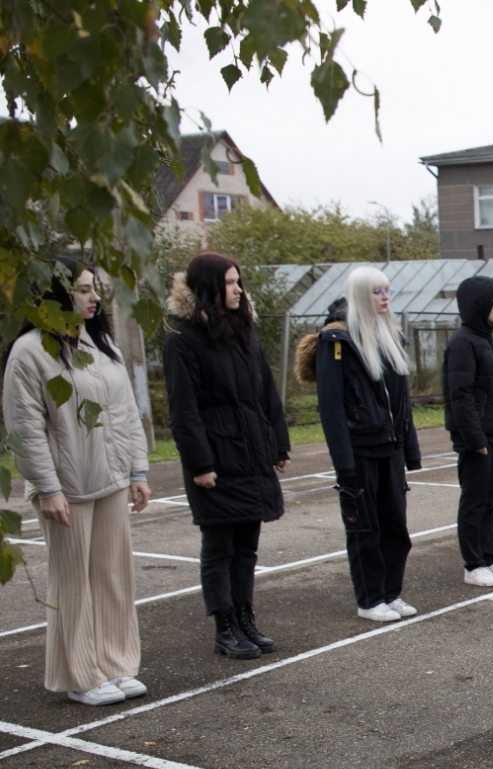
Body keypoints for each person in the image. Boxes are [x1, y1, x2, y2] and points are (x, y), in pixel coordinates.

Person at [4, 259, 150, 705]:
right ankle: (82, 675)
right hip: (66, 485)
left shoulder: (102, 347)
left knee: (112, 576)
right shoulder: (30, 351)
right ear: (55, 297)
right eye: (81, 290)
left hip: (110, 479)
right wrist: (46, 488)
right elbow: (25, 426)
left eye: (93, 289)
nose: (92, 297)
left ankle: (116, 663)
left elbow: (125, 412)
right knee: (73, 580)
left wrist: (137, 471)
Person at [163, 253, 290, 659]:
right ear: (210, 288)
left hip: (250, 451)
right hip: (216, 457)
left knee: (247, 544)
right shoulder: (183, 340)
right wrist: (200, 464)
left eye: (239, 282)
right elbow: (183, 410)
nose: (239, 289)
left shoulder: (243, 333)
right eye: (231, 283)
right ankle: (225, 624)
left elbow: (266, 394)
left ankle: (245, 616)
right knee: (219, 545)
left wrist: (279, 443)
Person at [296, 271, 421, 623]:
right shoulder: (335, 342)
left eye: (387, 291)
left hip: (390, 447)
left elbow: (402, 401)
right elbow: (331, 406)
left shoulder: (390, 337)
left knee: (395, 527)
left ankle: (390, 592)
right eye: (376, 292)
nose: (384, 298)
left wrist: (409, 450)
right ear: (358, 296)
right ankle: (369, 598)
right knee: (365, 529)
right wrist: (344, 462)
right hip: (360, 449)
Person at [445, 275, 493, 586]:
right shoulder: (463, 343)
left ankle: (489, 557)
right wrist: (474, 437)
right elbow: (460, 395)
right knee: (474, 499)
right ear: (478, 303)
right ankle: (473, 563)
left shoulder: (486, 340)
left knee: (491, 498)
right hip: (476, 438)